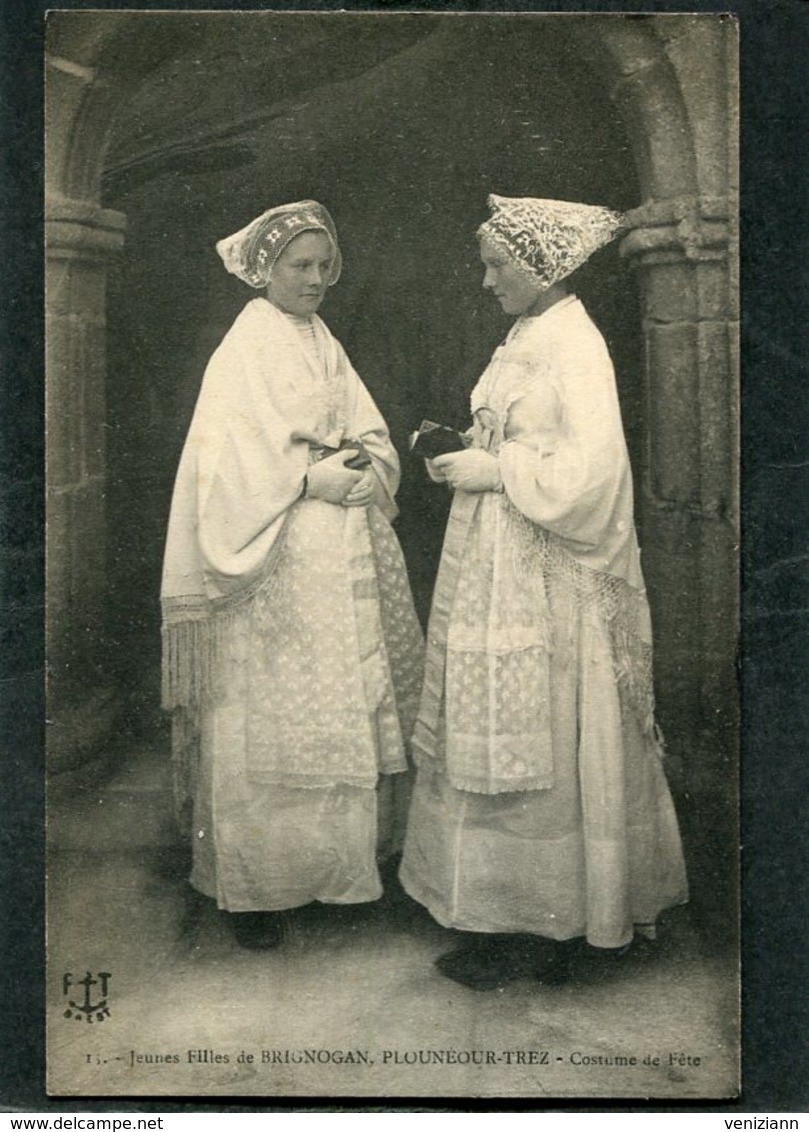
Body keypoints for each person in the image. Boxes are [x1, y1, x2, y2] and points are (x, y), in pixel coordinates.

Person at [399, 194, 688, 989]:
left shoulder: (575, 344)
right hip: (497, 557)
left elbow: (592, 479)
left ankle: (554, 925)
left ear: (536, 267)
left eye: (496, 267)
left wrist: (500, 472)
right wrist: (467, 449)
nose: (486, 280)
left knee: (547, 735)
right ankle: (496, 915)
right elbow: (522, 436)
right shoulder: (525, 333)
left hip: (547, 571)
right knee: (494, 728)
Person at [161, 200, 423, 949]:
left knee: (344, 700)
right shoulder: (245, 346)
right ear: (265, 269)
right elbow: (224, 464)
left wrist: (365, 463)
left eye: (323, 267)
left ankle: (342, 876)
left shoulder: (323, 338)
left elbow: (366, 426)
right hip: (274, 560)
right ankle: (257, 892)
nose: (314, 280)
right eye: (298, 267)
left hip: (340, 548)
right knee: (271, 716)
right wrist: (306, 482)